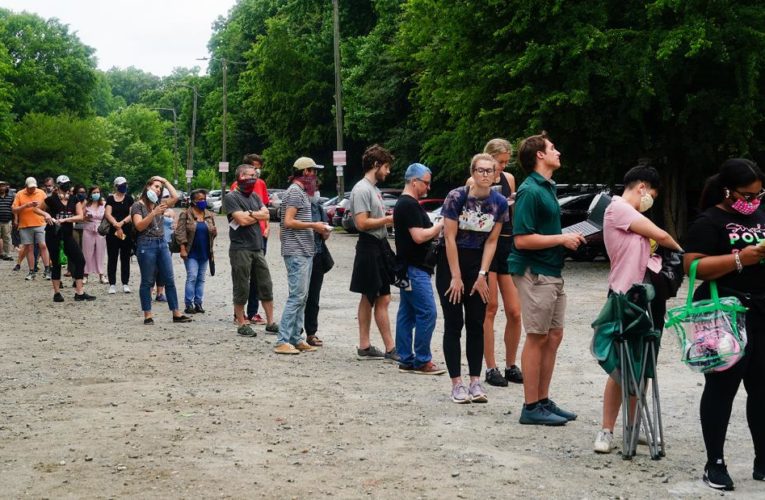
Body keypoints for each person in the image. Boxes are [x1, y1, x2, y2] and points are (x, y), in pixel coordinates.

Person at [683, 158, 765, 491]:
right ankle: (714, 462)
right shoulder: (709, 221)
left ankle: (762, 459)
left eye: (759, 194)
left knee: (762, 389)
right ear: (728, 191)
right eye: (748, 194)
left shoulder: (761, 214)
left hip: (761, 311)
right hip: (724, 314)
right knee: (722, 389)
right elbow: (693, 267)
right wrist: (739, 259)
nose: (754, 200)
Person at [593, 166, 682, 454]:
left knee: (643, 365)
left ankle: (633, 426)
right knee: (621, 365)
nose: (651, 200)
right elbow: (663, 237)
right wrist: (684, 254)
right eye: (652, 194)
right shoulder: (618, 209)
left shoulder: (635, 215)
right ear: (642, 186)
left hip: (650, 296)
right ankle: (607, 429)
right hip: (625, 294)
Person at [509, 131, 585, 425]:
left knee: (554, 336)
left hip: (552, 271)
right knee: (537, 336)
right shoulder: (530, 190)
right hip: (535, 272)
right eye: (552, 148)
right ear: (539, 155)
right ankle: (530, 406)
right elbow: (522, 240)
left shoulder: (547, 187)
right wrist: (561, 239)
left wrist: (564, 239)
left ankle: (542, 399)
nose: (558, 152)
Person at [437, 153, 508, 403]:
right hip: (452, 262)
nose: (485, 175)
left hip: (479, 264)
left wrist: (482, 275)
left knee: (477, 323)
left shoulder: (499, 202)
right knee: (454, 323)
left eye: (490, 171)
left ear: (496, 174)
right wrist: (456, 276)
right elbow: (448, 237)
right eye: (481, 170)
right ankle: (456, 383)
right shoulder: (457, 196)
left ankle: (476, 381)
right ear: (473, 172)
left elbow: (492, 241)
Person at [468, 138, 524, 387]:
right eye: (499, 162)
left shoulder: (509, 179)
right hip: (487, 245)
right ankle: (490, 367)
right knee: (490, 308)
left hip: (507, 244)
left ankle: (511, 364)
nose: (501, 167)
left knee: (514, 310)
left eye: (504, 163)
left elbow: (511, 213)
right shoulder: (474, 182)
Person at [274, 157, 330, 354]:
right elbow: (288, 222)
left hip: (304, 250)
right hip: (296, 251)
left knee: (302, 297)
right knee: (297, 296)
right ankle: (282, 340)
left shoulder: (302, 193)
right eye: (313, 171)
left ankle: (296, 338)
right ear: (305, 172)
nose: (315, 176)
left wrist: (320, 229)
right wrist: (314, 225)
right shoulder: (295, 192)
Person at [394, 163, 446, 375]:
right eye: (426, 183)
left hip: (406, 267)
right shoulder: (409, 205)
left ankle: (406, 358)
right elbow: (418, 236)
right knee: (428, 312)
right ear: (414, 181)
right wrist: (439, 226)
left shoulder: (405, 204)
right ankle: (422, 360)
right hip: (415, 268)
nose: (428, 187)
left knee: (406, 313)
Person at [349, 144, 398, 361]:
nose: (388, 171)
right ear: (376, 165)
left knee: (372, 297)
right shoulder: (362, 189)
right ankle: (389, 348)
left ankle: (366, 345)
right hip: (369, 246)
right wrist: (387, 220)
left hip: (377, 246)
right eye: (386, 167)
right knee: (379, 297)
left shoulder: (373, 189)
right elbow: (361, 223)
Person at [223, 164, 278, 337]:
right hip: (240, 249)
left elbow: (267, 214)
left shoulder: (254, 195)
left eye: (255, 175)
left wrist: (250, 214)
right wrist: (256, 215)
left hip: (257, 247)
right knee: (241, 286)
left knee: (265, 285)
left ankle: (270, 323)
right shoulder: (231, 197)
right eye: (250, 175)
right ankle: (241, 323)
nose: (254, 178)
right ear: (240, 176)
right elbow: (241, 220)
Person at [130, 176, 191, 324]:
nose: (158, 190)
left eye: (160, 188)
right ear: (147, 187)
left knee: (169, 278)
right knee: (147, 281)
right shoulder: (137, 206)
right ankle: (148, 315)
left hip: (162, 243)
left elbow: (175, 197)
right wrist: (153, 213)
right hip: (146, 244)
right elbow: (139, 226)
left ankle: (176, 312)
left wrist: (164, 181)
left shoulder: (160, 203)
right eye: (155, 187)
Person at [39, 175, 95, 302]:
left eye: (68, 183)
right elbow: (37, 209)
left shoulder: (74, 199)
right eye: (64, 184)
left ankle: (79, 292)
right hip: (53, 234)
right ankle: (57, 293)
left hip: (68, 234)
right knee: (57, 262)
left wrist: (66, 219)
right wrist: (46, 214)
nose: (67, 186)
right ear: (58, 185)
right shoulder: (51, 199)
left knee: (80, 260)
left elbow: (80, 216)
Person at [175, 189, 217, 315]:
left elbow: (212, 233)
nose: (202, 201)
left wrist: (214, 232)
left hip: (205, 251)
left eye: (204, 199)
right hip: (190, 251)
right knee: (192, 277)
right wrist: (182, 249)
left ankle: (198, 303)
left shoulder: (209, 214)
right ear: (193, 201)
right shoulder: (186, 214)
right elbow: (180, 233)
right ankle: (189, 304)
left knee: (201, 278)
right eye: (199, 199)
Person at [243, 153, 271, 325]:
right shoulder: (237, 186)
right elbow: (239, 214)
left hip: (261, 234)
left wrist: (267, 226)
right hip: (245, 235)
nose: (257, 170)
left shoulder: (261, 184)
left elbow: (265, 208)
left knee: (257, 275)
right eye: (254, 166)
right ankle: (238, 313)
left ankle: (253, 312)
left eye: (259, 167)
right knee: (242, 274)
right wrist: (257, 215)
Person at [304, 191, 332, 347]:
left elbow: (325, 233)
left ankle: (311, 332)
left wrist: (325, 232)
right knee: (300, 296)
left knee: (314, 296)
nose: (315, 192)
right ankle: (294, 331)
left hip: (318, 255)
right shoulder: (298, 206)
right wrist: (311, 227)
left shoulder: (319, 208)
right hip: (301, 255)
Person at [11, 177, 51, 280]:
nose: (32, 189)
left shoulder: (41, 193)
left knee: (43, 245)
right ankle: (31, 271)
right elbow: (14, 209)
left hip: (40, 223)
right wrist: (25, 205)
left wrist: (41, 208)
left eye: (34, 187)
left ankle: (47, 270)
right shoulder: (20, 194)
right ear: (26, 186)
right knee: (29, 248)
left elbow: (48, 206)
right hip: (25, 225)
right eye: (30, 188)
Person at [104, 176, 134, 294]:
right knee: (112, 257)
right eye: (122, 185)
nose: (124, 187)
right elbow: (108, 213)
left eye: (125, 184)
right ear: (116, 186)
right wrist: (115, 224)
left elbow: (132, 214)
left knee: (125, 257)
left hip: (126, 230)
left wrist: (122, 223)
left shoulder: (129, 199)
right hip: (112, 232)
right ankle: (112, 283)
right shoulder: (110, 199)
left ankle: (125, 283)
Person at [82, 185, 108, 284]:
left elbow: (108, 216)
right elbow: (80, 216)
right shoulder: (86, 204)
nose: (96, 194)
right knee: (87, 253)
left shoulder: (104, 204)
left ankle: (101, 275)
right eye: (94, 192)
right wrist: (86, 217)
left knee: (100, 253)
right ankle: (85, 275)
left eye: (97, 192)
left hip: (100, 230)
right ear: (90, 194)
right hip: (88, 229)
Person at [0, 180, 14, 261]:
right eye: (0, 186)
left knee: (7, 238)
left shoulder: (11, 196)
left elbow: (13, 208)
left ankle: (7, 254)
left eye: (3, 186)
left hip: (7, 220)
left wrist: (15, 219)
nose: (1, 187)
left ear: (6, 187)